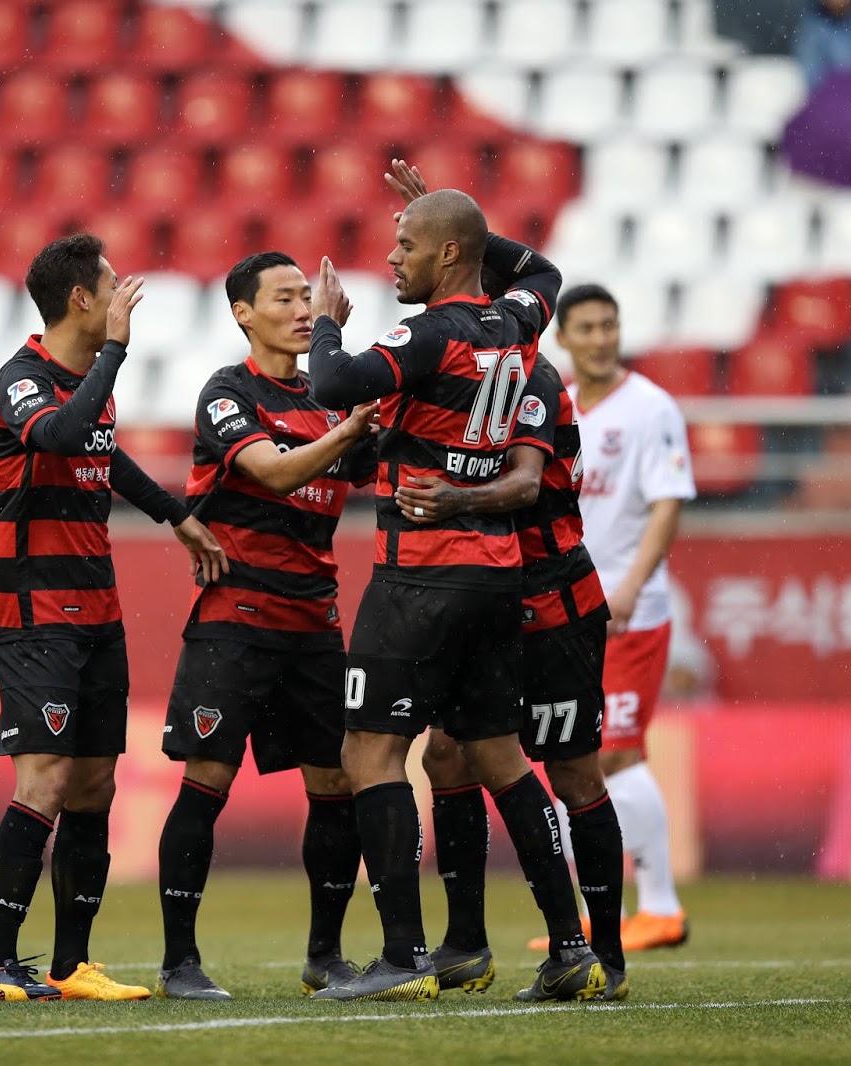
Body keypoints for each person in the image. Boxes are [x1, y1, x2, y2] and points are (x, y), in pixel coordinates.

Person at [306, 188, 605, 1003]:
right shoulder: (516, 324)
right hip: (495, 575)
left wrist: (329, 319)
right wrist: (464, 229)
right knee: (498, 755)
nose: (391, 257)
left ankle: (402, 955)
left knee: (368, 751)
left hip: (421, 573)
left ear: (444, 257)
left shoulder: (431, 333)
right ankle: (570, 946)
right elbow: (539, 268)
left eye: (404, 244)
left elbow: (330, 382)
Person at [384, 161, 629, 1002]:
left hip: (552, 600)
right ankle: (464, 943)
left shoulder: (537, 380)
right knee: (450, 753)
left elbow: (524, 488)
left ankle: (604, 954)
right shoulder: (468, 362)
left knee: (573, 775)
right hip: (484, 599)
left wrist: (449, 493)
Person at [0, 234, 226, 1002]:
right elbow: (56, 433)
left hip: (96, 614)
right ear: (82, 300)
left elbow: (102, 451)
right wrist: (115, 352)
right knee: (43, 781)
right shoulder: (23, 380)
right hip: (33, 614)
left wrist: (175, 515)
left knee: (93, 788)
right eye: (113, 285)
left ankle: (69, 965)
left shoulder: (91, 386)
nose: (125, 296)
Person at [154, 252, 379, 1001]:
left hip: (315, 621)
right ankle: (179, 962)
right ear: (243, 314)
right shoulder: (228, 392)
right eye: (283, 298)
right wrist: (348, 432)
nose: (301, 308)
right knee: (206, 781)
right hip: (235, 620)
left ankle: (325, 955)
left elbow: (388, 465)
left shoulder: (330, 395)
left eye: (307, 297)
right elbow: (275, 472)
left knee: (336, 784)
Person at [551, 283, 697, 953]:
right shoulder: (558, 407)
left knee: (616, 752)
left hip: (627, 610)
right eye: (587, 327)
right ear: (564, 339)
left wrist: (633, 587)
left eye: (610, 325)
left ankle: (662, 906)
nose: (602, 338)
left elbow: (667, 503)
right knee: (570, 753)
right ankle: (596, 914)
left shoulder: (651, 408)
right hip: (570, 606)